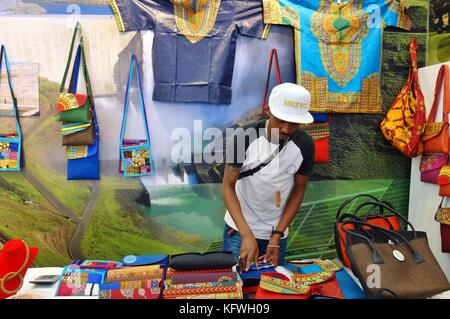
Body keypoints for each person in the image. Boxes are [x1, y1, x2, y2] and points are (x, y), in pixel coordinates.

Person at [222, 82, 315, 272]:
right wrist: (247, 235)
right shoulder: (244, 137)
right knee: (236, 286)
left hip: (276, 235)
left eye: (294, 123)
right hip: (239, 231)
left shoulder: (304, 144)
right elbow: (227, 187)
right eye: (281, 120)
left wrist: (277, 235)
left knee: (272, 287)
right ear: (268, 110)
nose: (287, 129)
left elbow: (299, 191)